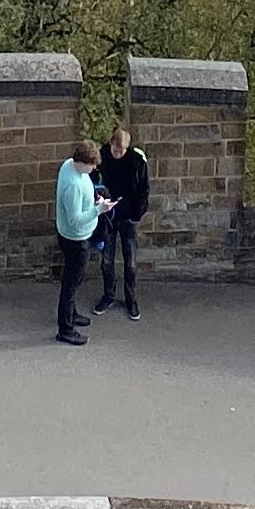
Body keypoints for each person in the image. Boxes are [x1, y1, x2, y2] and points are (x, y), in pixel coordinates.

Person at [92, 120, 150, 318]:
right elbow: (94, 181)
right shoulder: (103, 156)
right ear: (111, 144)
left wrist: (137, 214)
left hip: (128, 217)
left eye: (123, 150)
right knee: (106, 261)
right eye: (117, 150)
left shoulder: (136, 160)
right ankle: (108, 295)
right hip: (108, 216)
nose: (119, 154)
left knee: (131, 263)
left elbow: (144, 189)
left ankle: (130, 300)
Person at [52, 140, 103, 343]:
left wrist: (94, 202)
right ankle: (65, 329)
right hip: (76, 239)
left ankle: (71, 315)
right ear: (82, 163)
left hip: (68, 234)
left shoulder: (68, 166)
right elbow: (75, 220)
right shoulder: (73, 186)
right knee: (71, 284)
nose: (93, 169)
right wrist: (98, 210)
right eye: (91, 165)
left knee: (72, 280)